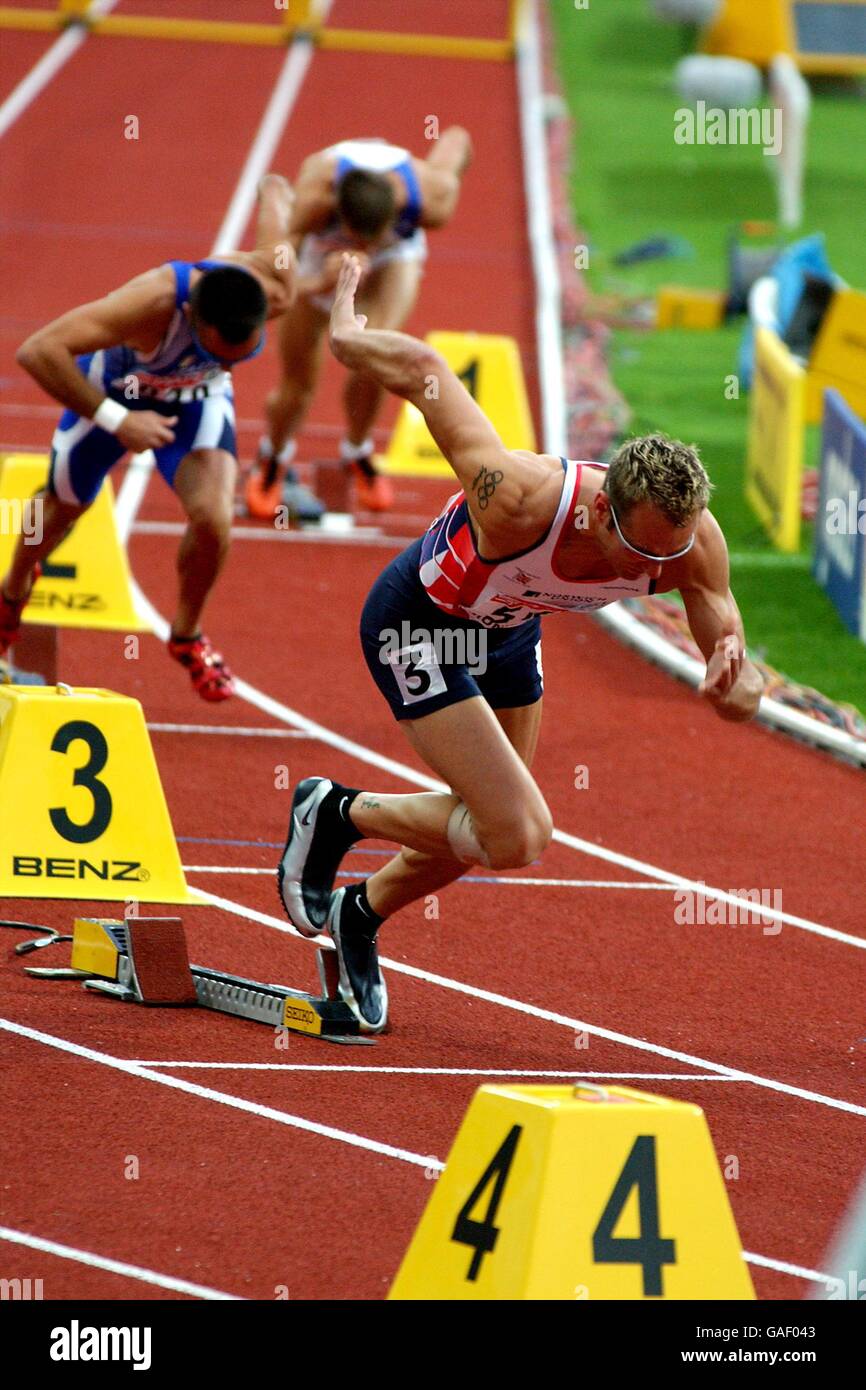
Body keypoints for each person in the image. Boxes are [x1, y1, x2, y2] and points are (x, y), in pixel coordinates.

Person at [277, 255, 765, 1032]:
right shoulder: (517, 498)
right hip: (421, 623)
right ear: (602, 512)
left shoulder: (690, 544)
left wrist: (731, 686)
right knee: (517, 831)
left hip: (508, 635)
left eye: (670, 557)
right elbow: (428, 372)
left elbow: (738, 675)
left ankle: (359, 914)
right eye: (642, 556)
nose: (657, 574)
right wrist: (344, 334)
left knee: (481, 830)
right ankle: (337, 811)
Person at [1, 174, 297, 701]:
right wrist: (118, 419)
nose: (233, 359)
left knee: (214, 519)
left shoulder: (273, 290)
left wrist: (274, 192)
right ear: (193, 319)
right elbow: (39, 351)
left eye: (242, 352)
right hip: (113, 394)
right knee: (59, 513)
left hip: (193, 404)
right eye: (220, 352)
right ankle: (8, 598)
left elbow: (277, 220)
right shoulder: (151, 303)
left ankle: (185, 634)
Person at [247, 129, 472, 520]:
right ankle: (273, 456)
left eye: (373, 238)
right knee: (298, 383)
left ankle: (358, 450)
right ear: (337, 212)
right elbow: (268, 283)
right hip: (321, 258)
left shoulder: (432, 197)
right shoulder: (312, 200)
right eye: (357, 237)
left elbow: (457, 139)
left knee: (373, 355)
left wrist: (374, 251)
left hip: (394, 258)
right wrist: (317, 283)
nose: (363, 247)